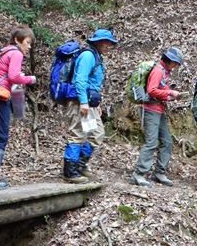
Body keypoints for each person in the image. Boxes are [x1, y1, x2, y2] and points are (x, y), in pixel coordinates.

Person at [0, 25, 37, 190]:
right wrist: (30, 79)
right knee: (1, 138)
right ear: (18, 40)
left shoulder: (4, 51)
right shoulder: (16, 53)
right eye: (27, 42)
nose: (29, 46)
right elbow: (13, 76)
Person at [62, 29, 118, 183]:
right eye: (106, 42)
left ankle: (80, 165)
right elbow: (80, 80)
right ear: (97, 42)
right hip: (79, 102)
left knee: (96, 133)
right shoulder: (88, 56)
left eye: (110, 43)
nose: (108, 46)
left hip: (89, 103)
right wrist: (84, 102)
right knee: (78, 134)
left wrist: (95, 104)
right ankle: (70, 172)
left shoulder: (96, 56)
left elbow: (93, 83)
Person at [129, 48, 184, 187]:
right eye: (175, 63)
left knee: (167, 141)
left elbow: (159, 91)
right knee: (151, 142)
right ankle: (138, 174)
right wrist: (170, 92)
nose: (176, 66)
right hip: (150, 111)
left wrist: (170, 96)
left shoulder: (164, 72)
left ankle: (159, 173)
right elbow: (151, 90)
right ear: (170, 60)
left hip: (159, 110)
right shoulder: (158, 71)